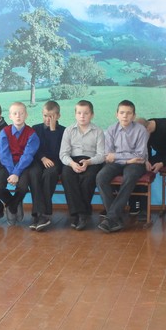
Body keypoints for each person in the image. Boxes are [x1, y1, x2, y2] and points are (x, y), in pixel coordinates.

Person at [96, 100, 149, 233]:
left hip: (136, 164)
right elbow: (108, 155)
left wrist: (118, 157)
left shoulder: (141, 130)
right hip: (118, 163)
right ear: (117, 114)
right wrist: (126, 160)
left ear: (134, 116)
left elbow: (139, 155)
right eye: (122, 113)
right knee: (101, 177)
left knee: (130, 176)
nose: (125, 116)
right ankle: (115, 218)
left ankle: (111, 218)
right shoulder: (111, 129)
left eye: (128, 113)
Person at [59, 99, 105, 231]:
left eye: (86, 113)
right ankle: (80, 213)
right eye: (79, 113)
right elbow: (63, 154)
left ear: (92, 115)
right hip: (73, 160)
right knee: (67, 175)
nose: (82, 116)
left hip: (92, 161)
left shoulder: (98, 131)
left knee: (88, 178)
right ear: (75, 114)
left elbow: (101, 155)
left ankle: (80, 215)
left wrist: (88, 162)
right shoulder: (68, 130)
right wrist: (72, 164)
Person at [0, 102, 39, 224]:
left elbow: (28, 156)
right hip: (7, 165)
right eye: (15, 113)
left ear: (26, 115)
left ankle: (12, 206)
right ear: (10, 116)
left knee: (23, 188)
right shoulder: (4, 132)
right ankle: (13, 203)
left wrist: (16, 173)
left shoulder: (32, 134)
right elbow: (4, 154)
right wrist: (12, 172)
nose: (18, 116)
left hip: (24, 165)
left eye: (21, 113)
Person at [25, 100, 65, 231]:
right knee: (34, 174)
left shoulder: (63, 131)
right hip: (39, 160)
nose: (48, 119)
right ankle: (39, 214)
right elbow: (33, 148)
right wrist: (42, 158)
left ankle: (42, 214)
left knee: (49, 174)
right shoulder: (35, 129)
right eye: (45, 116)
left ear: (58, 116)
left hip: (55, 162)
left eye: (51, 116)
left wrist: (53, 130)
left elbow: (56, 152)